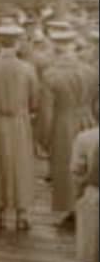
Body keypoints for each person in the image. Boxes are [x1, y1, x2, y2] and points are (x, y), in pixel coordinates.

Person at [0, 25, 39, 231]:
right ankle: (22, 213)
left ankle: (0, 212)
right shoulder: (27, 68)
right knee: (21, 165)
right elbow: (35, 100)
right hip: (20, 123)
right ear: (17, 42)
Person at [38, 29, 97, 228]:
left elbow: (46, 112)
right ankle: (86, 209)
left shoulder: (50, 75)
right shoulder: (90, 71)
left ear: (56, 47)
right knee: (88, 164)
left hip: (63, 123)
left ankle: (72, 211)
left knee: (65, 167)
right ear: (73, 45)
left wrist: (44, 139)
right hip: (88, 119)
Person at [70, 102, 98, 262]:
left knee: (90, 244)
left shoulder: (85, 138)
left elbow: (77, 170)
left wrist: (80, 190)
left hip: (94, 195)